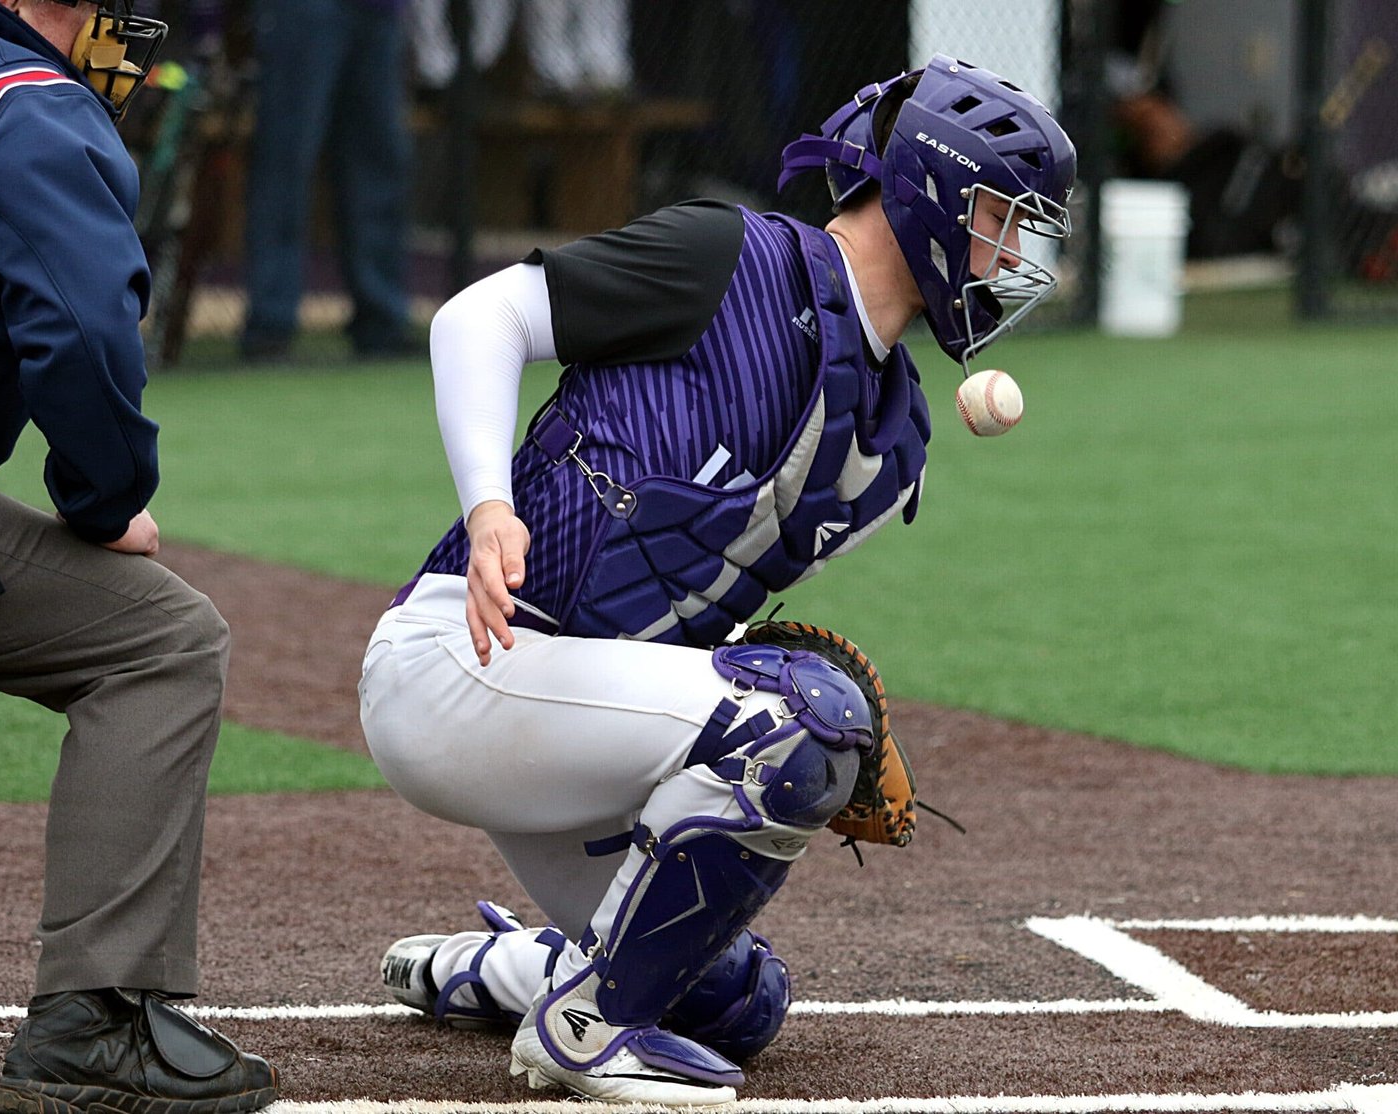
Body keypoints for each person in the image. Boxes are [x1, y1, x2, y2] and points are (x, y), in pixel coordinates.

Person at [359, 55, 1074, 1105]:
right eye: (1004, 220)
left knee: (735, 1000)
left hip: (566, 722)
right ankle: (584, 1030)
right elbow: (480, 316)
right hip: (464, 663)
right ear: (930, 187)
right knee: (806, 724)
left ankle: (497, 972)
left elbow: (683, 615)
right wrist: (487, 505)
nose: (1016, 258)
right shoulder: (731, 253)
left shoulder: (888, 442)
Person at [0, 0, 277, 1111]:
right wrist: (105, 503)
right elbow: (83, 336)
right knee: (160, 639)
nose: (126, 25)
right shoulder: (24, 102)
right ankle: (95, 1023)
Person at [240, 0, 417, 362]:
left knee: (379, 162)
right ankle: (270, 323)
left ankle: (381, 320)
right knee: (285, 158)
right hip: (304, 10)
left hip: (380, 11)